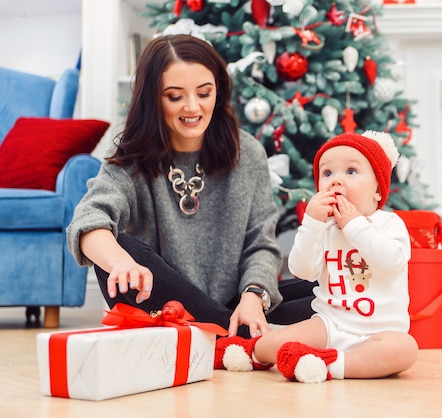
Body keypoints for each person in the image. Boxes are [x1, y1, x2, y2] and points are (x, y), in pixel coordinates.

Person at [66, 34, 314, 338]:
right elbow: (88, 221)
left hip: (235, 302)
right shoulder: (131, 158)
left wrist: (253, 298)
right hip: (166, 308)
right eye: (175, 96)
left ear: (218, 92)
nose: (193, 107)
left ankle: (228, 331)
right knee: (120, 247)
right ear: (153, 98)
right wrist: (121, 263)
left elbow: (260, 243)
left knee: (324, 295)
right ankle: (236, 335)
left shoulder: (246, 153)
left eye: (204, 93)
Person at [213, 131, 419, 383]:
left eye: (351, 171)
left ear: (378, 189)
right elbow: (303, 271)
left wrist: (354, 225)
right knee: (276, 341)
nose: (336, 181)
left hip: (379, 332)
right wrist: (311, 224)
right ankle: (249, 353)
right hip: (329, 325)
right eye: (327, 173)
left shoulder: (388, 223)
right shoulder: (324, 229)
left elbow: (391, 262)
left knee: (404, 349)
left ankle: (330, 364)